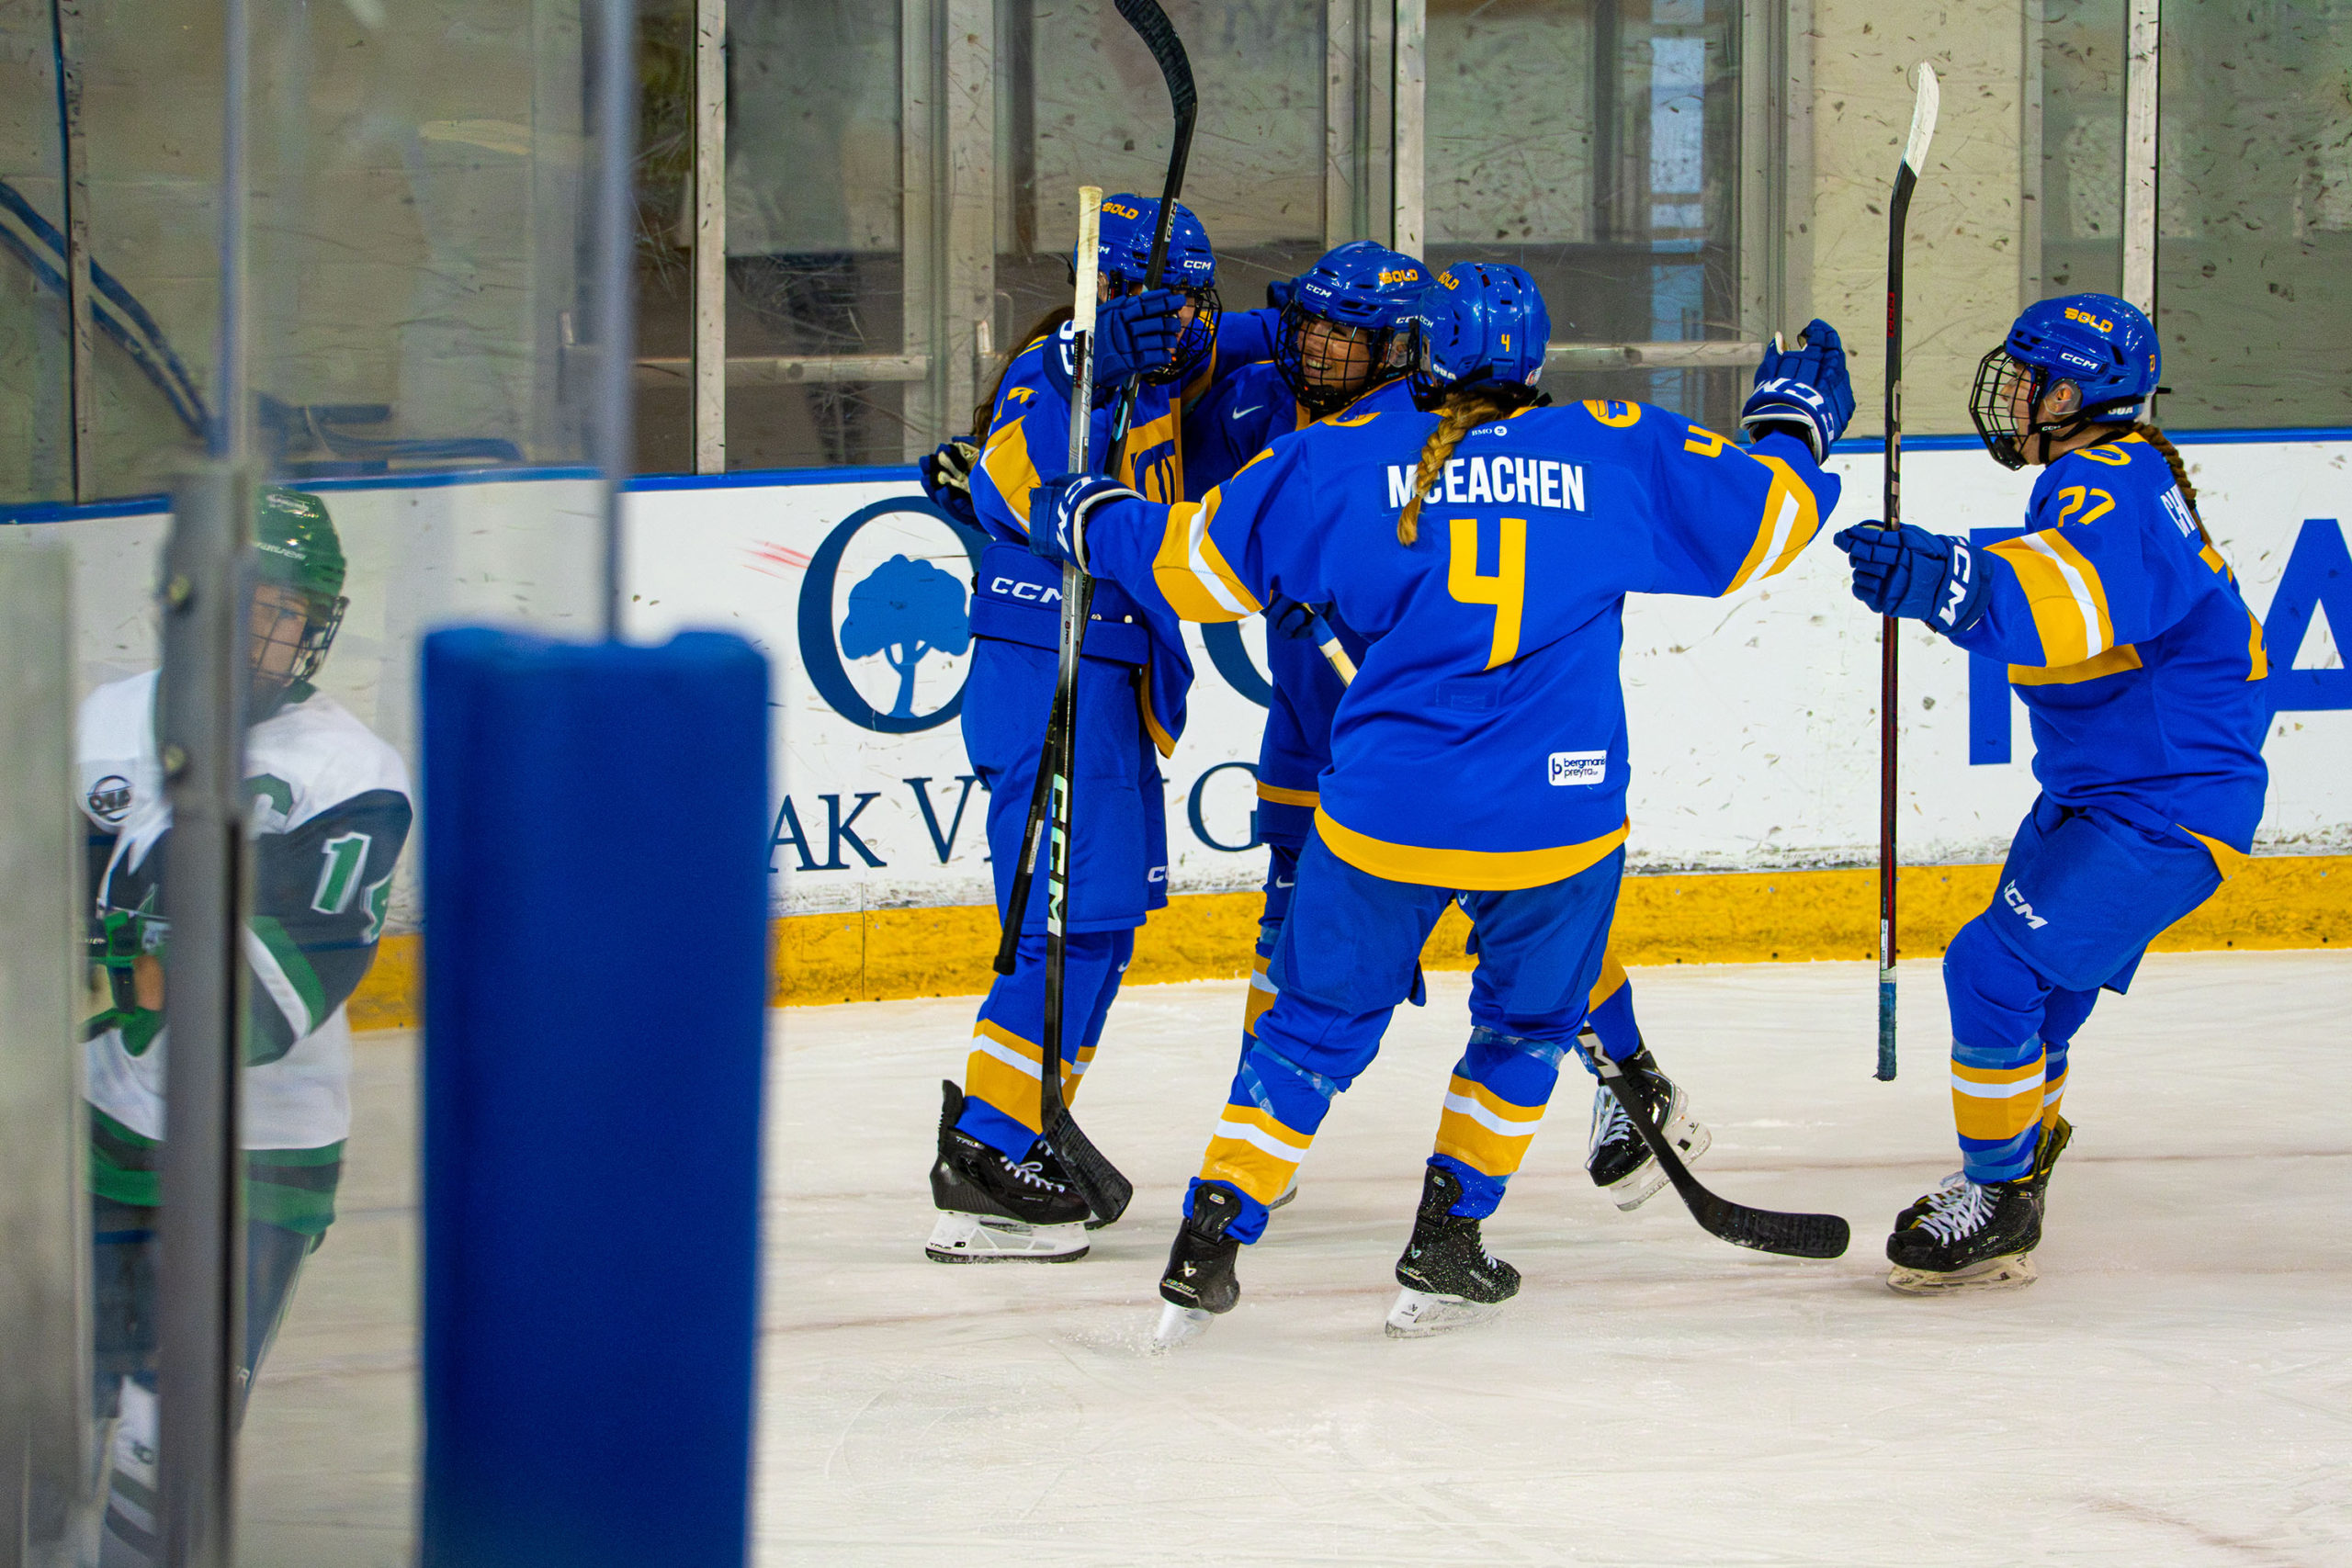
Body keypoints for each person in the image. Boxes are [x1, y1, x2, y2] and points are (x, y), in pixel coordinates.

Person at [1029, 263, 1853, 1339]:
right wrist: (1792, 421)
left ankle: (1213, 1237)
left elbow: (1187, 569)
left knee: (1307, 1032)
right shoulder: (1616, 445)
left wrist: (1091, 515)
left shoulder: (1334, 460)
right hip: (1556, 826)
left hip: (1383, 816)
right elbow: (1771, 518)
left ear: (1420, 353)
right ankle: (1447, 1243)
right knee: (1524, 1031)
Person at [1186, 243, 1705, 1216]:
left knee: (1524, 918)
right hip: (1315, 731)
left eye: (1349, 333)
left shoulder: (1434, 433)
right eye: (1313, 326)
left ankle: (1630, 1080)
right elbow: (1186, 438)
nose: (1320, 349)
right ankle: (1261, 1137)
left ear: (1404, 350)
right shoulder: (1264, 403)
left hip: (1422, 740)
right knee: (1289, 929)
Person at [1833, 294, 2269, 1293]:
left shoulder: (2106, 482)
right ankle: (2016, 1159)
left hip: (2160, 808)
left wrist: (1953, 583)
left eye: (2026, 379)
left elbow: (2070, 601)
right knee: (2042, 996)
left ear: (2068, 392)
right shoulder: (2104, 474)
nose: (2012, 395)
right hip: (2111, 794)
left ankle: (1996, 1192)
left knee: (1990, 969)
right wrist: (1955, 577)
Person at [77, 487, 412, 1565]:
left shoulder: (352, 778)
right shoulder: (97, 729)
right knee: (42, 1411)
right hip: (93, 1136)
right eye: (244, 601)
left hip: (258, 1160)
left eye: (288, 609)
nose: (267, 631)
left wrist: (82, 986)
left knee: (157, 1446)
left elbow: (264, 1001)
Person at [920, 195, 1229, 1265]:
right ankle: (988, 1153)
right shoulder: (1055, 368)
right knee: (1056, 927)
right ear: (1102, 293)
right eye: (1162, 295)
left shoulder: (1151, 368)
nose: (1186, 317)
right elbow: (1009, 477)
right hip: (1052, 680)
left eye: (1195, 297)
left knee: (1096, 922)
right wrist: (1079, 355)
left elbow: (1246, 345)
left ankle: (1021, 1118)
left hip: (1102, 681)